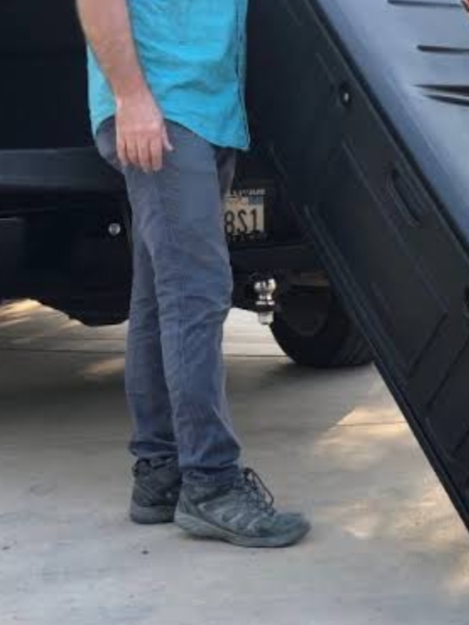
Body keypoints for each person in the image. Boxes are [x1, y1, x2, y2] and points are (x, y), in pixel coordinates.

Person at [77, 0, 310, 548]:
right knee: (196, 295)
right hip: (162, 107)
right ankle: (211, 483)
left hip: (207, 111)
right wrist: (131, 97)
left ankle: (160, 475)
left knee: (160, 302)